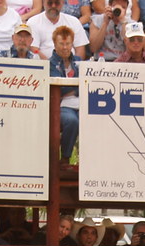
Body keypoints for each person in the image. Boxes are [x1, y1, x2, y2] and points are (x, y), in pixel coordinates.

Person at [49, 26, 80, 162]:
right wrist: (76, 86)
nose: (65, 47)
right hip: (61, 106)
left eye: (68, 44)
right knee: (72, 122)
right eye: (61, 44)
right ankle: (65, 158)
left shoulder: (78, 61)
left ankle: (89, 162)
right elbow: (59, 89)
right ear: (55, 44)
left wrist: (75, 89)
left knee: (92, 120)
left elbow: (87, 84)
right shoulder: (50, 64)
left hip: (81, 103)